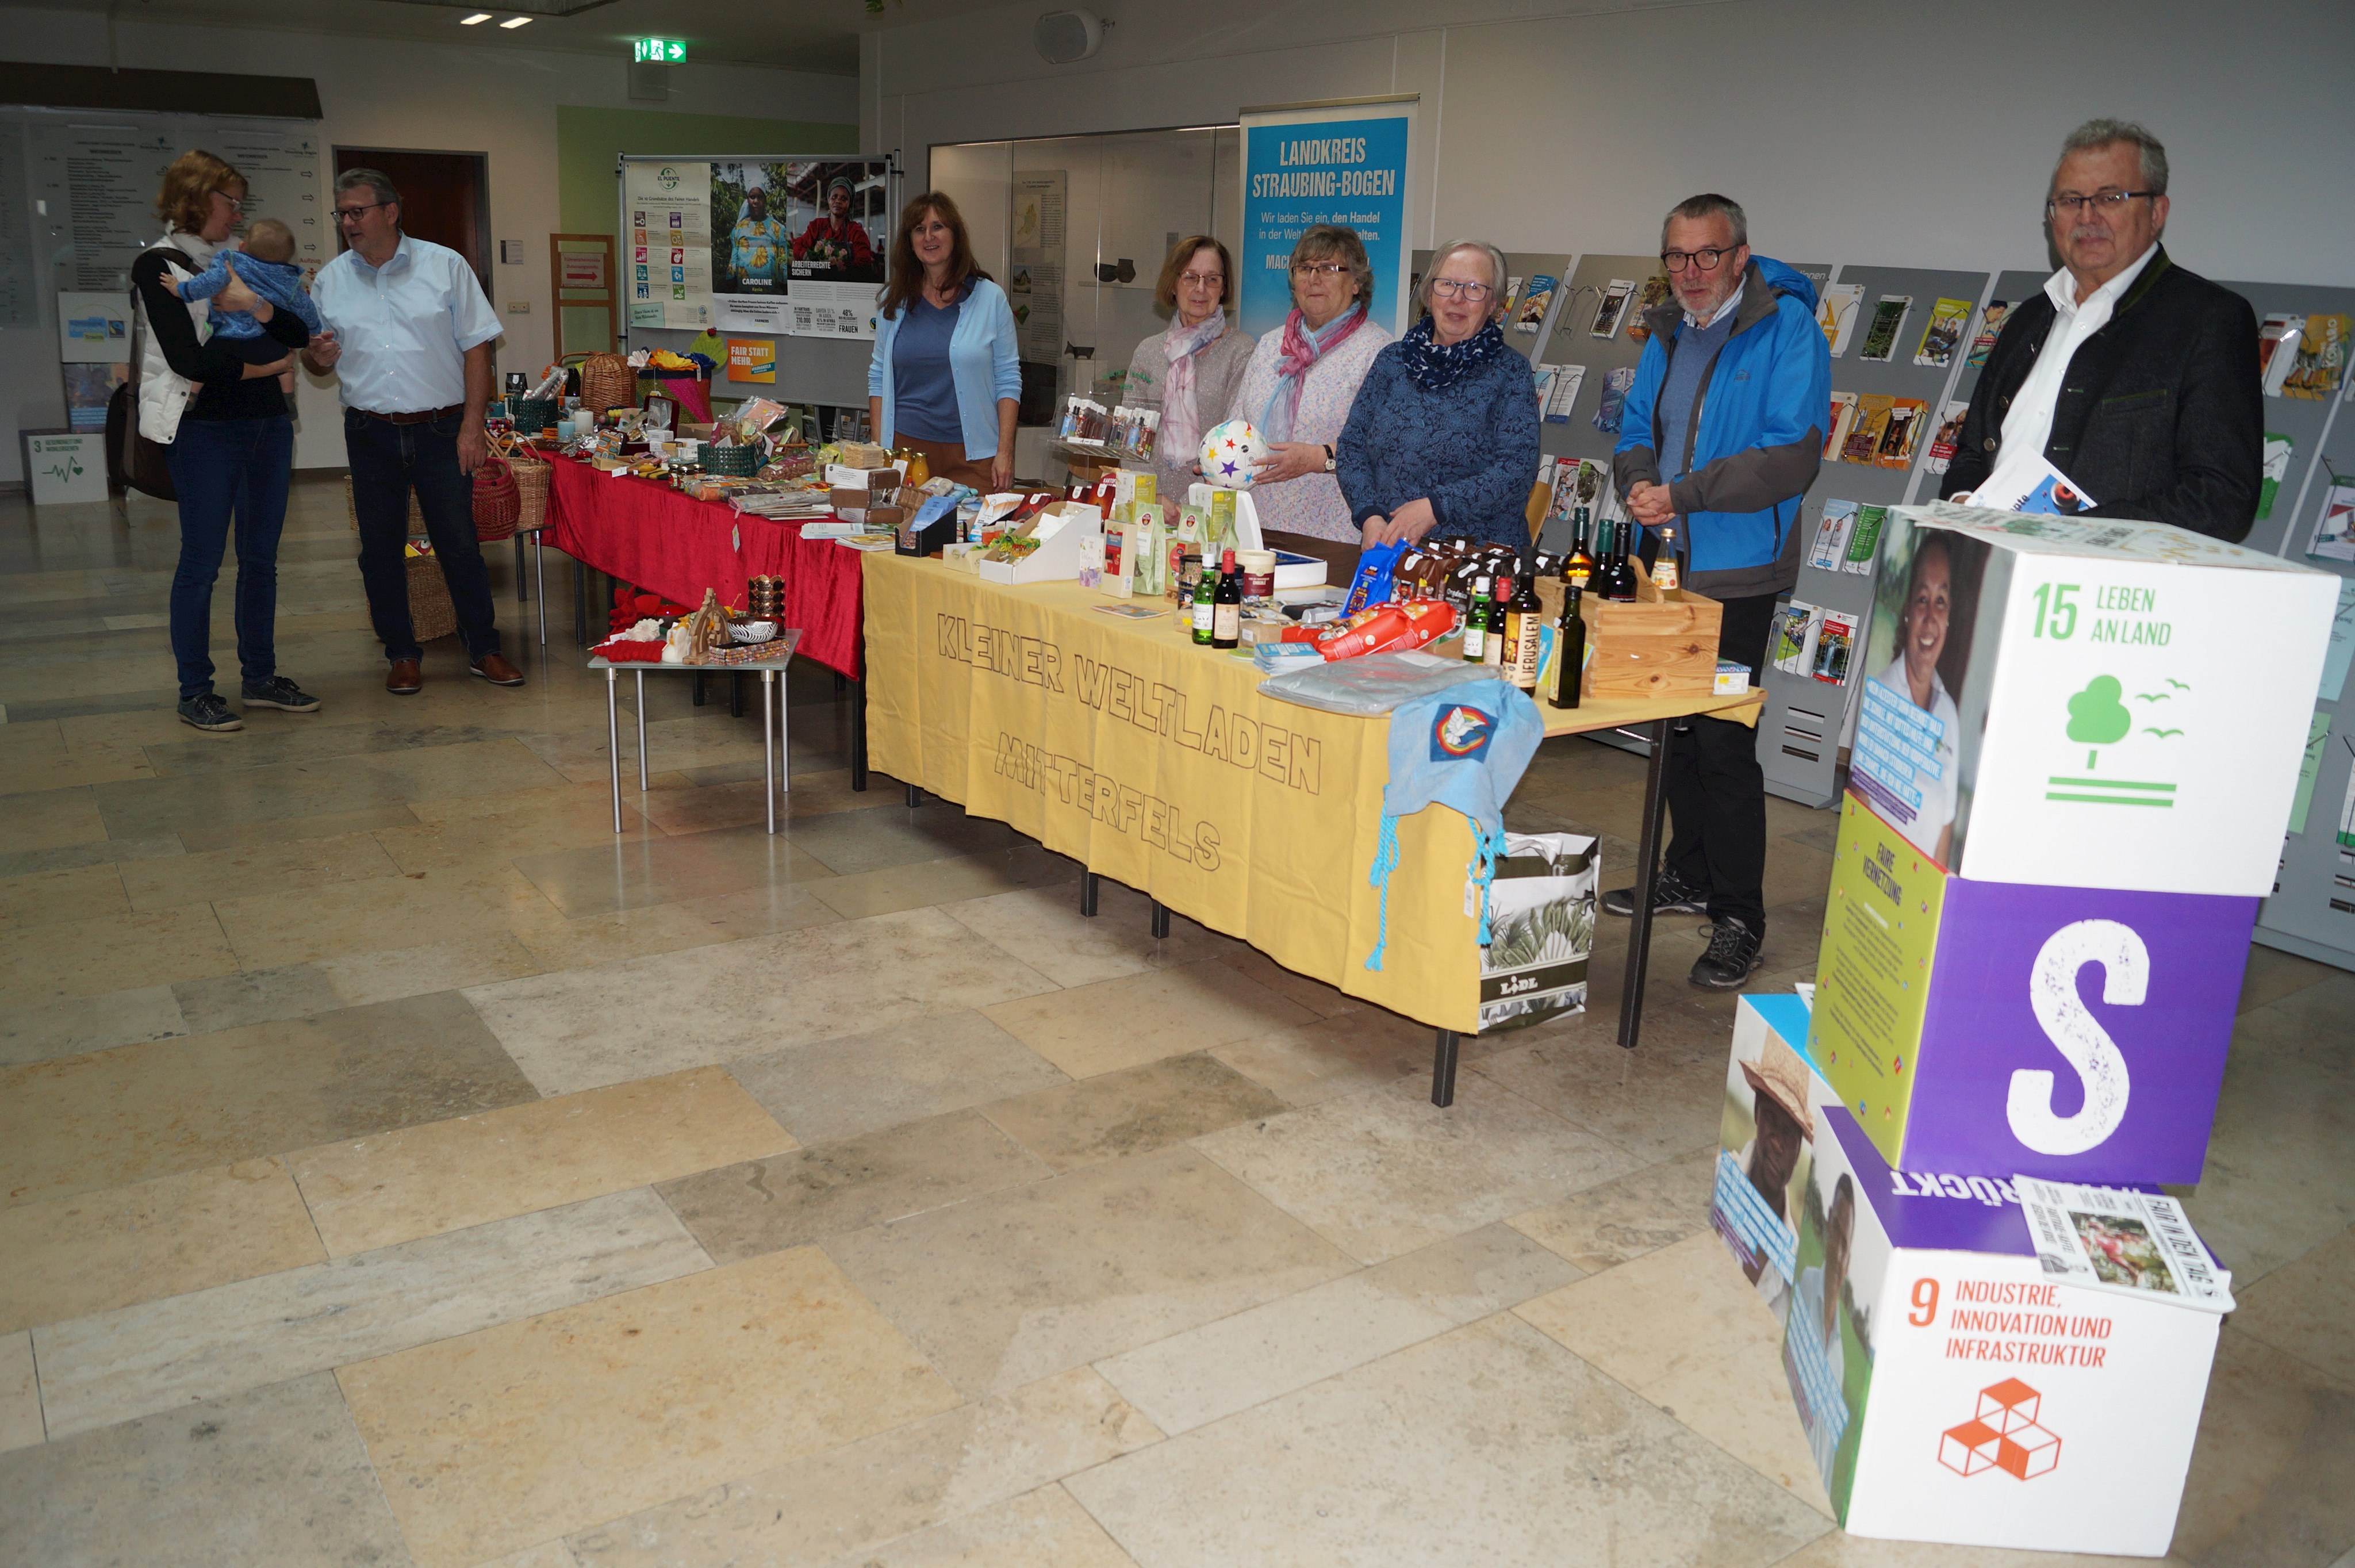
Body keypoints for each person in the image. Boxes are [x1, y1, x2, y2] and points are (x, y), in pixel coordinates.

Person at [1606, 193, 1831, 990]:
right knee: (1673, 729)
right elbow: (1637, 427)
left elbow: (1789, 456)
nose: (1691, 272)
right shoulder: (1667, 332)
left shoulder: (1789, 329)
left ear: (1742, 255)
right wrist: (1638, 482)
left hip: (1737, 572)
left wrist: (1684, 494)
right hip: (1663, 562)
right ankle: (1688, 873)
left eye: (1707, 255)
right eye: (1676, 257)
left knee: (1726, 741)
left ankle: (1740, 916)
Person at [1942, 119, 2260, 539]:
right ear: (2051, 217)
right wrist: (1963, 502)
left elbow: (2221, 499)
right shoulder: (2027, 320)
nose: (2087, 217)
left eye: (2110, 198)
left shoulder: (2209, 321)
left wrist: (2064, 534)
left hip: (2112, 594)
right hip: (1988, 573)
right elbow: (1972, 450)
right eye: (2071, 200)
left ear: (2157, 213)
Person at [303, 168, 522, 694]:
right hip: (369, 431)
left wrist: (473, 427)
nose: (349, 223)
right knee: (379, 550)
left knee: (459, 544)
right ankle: (401, 653)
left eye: (358, 211)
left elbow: (478, 350)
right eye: (342, 214)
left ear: (390, 212)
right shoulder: (331, 279)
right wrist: (314, 357)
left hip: (443, 430)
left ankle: (484, 648)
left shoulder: (445, 266)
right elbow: (317, 366)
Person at [132, 149, 319, 733]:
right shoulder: (158, 266)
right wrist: (266, 367)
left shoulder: (238, 263)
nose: (238, 212)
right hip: (204, 432)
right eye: (229, 200)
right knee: (202, 563)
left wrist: (253, 304)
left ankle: (260, 678)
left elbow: (296, 328)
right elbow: (192, 361)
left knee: (261, 560)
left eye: (241, 202)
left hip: (267, 426)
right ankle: (196, 691)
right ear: (196, 197)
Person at [1336, 239, 1540, 550]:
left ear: (1494, 304)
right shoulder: (1392, 361)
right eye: (1447, 284)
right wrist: (1370, 516)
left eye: (1474, 288)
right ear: (1429, 294)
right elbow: (1351, 447)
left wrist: (1436, 508)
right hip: (1388, 549)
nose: (1457, 298)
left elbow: (1516, 472)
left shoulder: (1511, 372)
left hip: (1476, 561)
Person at [1225, 225, 1391, 541]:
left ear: (1356, 282)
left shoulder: (1380, 352)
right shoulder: (1271, 345)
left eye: (1329, 269)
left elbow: (1385, 450)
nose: (1314, 278)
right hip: (1252, 526)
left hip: (1333, 534)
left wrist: (1316, 459)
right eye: (1305, 268)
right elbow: (1237, 423)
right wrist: (1217, 461)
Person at [867, 191, 1021, 493]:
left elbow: (1008, 380)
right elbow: (877, 377)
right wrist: (878, 450)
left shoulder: (990, 299)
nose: (929, 237)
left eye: (938, 227)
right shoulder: (893, 302)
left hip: (973, 458)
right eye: (919, 229)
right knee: (901, 539)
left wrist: (1005, 452)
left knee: (971, 540)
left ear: (955, 235)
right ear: (910, 241)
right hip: (904, 456)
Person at [1122, 236, 1253, 504]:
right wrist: (1152, 497)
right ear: (1173, 284)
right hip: (1149, 503)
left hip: (1211, 503)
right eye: (1191, 277)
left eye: (1212, 279)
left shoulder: (1241, 352)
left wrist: (1189, 503)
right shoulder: (1148, 351)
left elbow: (1237, 445)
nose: (1201, 289)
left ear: (1223, 288)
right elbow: (1130, 435)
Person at [1867, 533, 1962, 865]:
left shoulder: (1948, 713)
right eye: (1923, 599)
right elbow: (1862, 809)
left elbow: (1946, 822)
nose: (1930, 619)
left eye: (1941, 602)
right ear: (1907, 610)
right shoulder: (1881, 696)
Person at [160, 217, 321, 396]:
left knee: (208, 354)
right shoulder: (290, 280)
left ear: (242, 247)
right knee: (285, 362)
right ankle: (288, 393)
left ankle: (192, 394)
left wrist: (181, 289)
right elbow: (306, 307)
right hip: (267, 344)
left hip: (231, 339)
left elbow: (208, 283)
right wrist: (315, 329)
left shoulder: (232, 262)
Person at [791, 175, 875, 273]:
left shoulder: (856, 232)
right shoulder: (817, 226)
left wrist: (842, 267)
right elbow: (798, 245)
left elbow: (864, 263)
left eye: (844, 199)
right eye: (834, 197)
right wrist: (806, 257)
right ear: (828, 199)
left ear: (850, 204)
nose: (838, 201)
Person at [727, 183, 791, 290]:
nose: (756, 201)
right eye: (752, 197)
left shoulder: (778, 229)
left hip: (770, 297)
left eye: (760, 197)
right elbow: (733, 263)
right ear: (747, 200)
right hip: (744, 297)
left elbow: (783, 265)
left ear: (765, 200)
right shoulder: (739, 229)